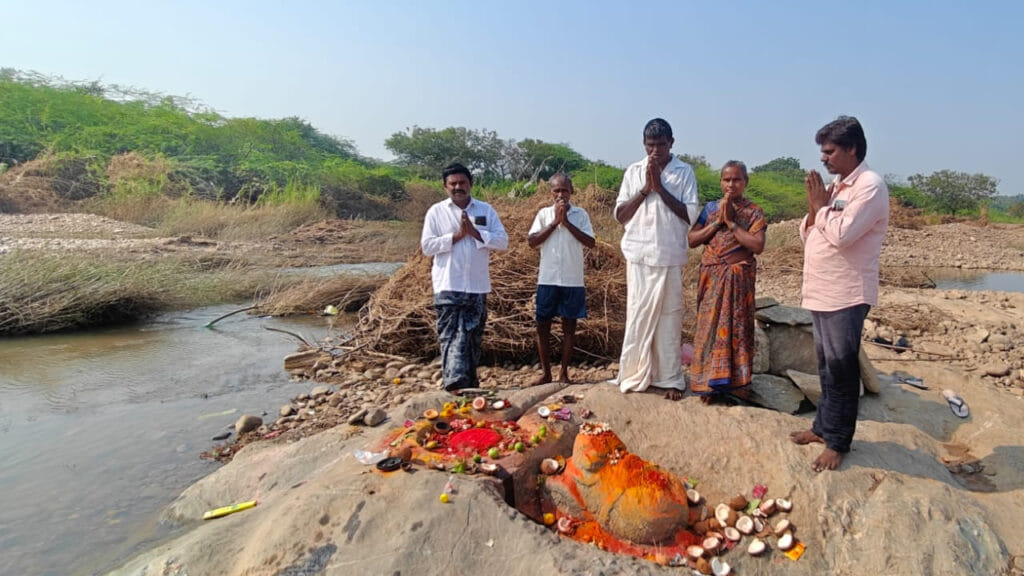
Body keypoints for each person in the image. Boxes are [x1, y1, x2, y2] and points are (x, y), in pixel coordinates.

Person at [789, 116, 889, 472]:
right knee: (826, 367)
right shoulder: (835, 188)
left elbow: (842, 234)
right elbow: (809, 235)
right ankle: (822, 428)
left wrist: (821, 207)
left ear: (852, 149)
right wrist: (816, 206)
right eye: (822, 152)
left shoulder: (869, 186)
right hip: (823, 289)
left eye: (830, 151)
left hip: (847, 293)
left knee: (843, 369)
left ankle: (838, 442)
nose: (823, 158)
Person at [613, 118, 699, 400]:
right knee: (638, 316)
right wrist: (645, 189)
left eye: (661, 145)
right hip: (638, 255)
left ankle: (670, 378)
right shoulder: (634, 171)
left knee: (669, 318)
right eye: (650, 145)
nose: (655, 151)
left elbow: (690, 215)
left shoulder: (684, 172)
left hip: (669, 256)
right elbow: (620, 216)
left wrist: (661, 188)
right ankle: (635, 373)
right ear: (643, 144)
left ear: (671, 143)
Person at [420, 162, 509, 391]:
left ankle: (470, 384)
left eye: (462, 183)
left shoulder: (485, 210)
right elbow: (427, 246)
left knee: (472, 337)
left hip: (477, 286)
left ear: (470, 184)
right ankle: (453, 385)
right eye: (453, 184)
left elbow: (502, 242)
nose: (457, 187)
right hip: (449, 285)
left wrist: (476, 233)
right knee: (450, 336)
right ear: (445, 186)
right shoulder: (436, 212)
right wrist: (457, 236)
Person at [687, 161, 766, 402]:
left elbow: (757, 245)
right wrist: (717, 222)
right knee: (708, 329)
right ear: (721, 182)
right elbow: (692, 240)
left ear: (745, 182)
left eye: (737, 179)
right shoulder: (711, 209)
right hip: (712, 279)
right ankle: (707, 385)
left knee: (738, 329)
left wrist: (732, 223)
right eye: (727, 179)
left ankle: (736, 385)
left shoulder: (754, 212)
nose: (731, 184)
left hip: (738, 281)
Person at [527, 172, 595, 385]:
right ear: (550, 192)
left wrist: (566, 223)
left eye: (564, 190)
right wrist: (555, 222)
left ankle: (564, 372)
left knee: (569, 326)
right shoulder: (544, 214)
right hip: (547, 278)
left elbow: (590, 242)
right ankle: (546, 373)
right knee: (542, 326)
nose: (560, 194)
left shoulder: (581, 215)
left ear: (571, 191)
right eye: (556, 190)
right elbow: (532, 241)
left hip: (572, 279)